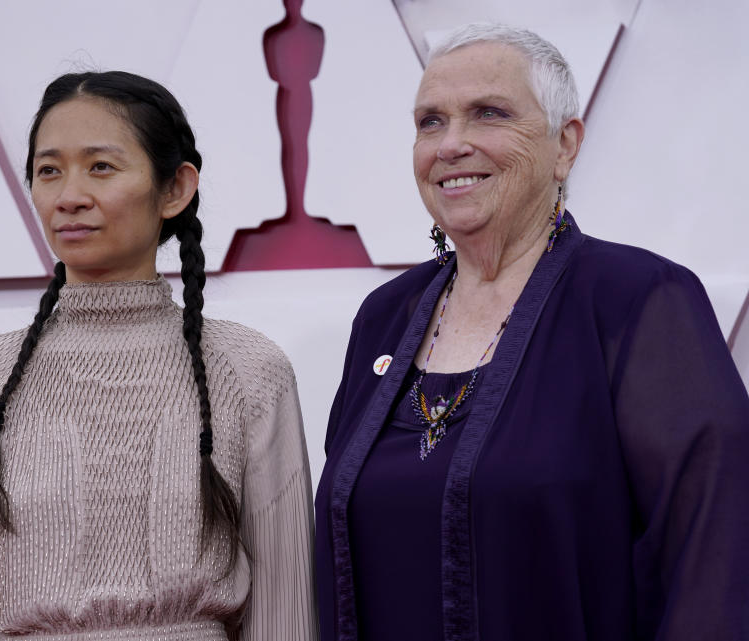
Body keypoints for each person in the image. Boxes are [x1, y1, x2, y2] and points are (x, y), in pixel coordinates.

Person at [314, 23, 749, 641]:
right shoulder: (385, 317)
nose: (451, 144)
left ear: (565, 144)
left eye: (488, 114)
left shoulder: (640, 300)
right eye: (430, 122)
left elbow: (715, 552)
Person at [0, 71, 318, 641]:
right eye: (49, 170)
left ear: (175, 188)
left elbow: (287, 611)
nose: (70, 196)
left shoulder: (248, 370)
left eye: (100, 166)